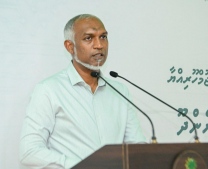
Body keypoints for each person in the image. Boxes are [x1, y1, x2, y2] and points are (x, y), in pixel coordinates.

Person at [19, 14, 146, 169]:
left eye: (103, 37)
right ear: (70, 46)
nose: (99, 45)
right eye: (88, 38)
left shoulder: (120, 91)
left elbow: (137, 148)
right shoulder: (48, 90)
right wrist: (82, 166)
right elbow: (29, 152)